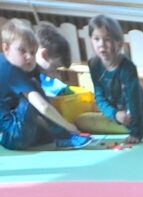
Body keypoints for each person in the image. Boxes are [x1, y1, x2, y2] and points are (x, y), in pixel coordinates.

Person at [0, 18, 89, 150]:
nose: (29, 57)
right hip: (12, 133)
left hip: (9, 132)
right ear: (6, 48)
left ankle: (57, 136)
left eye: (32, 52)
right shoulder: (12, 70)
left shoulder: (10, 64)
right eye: (22, 50)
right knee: (35, 91)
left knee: (46, 134)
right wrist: (67, 126)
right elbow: (42, 106)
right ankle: (64, 137)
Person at [82, 14, 143, 143]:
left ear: (118, 42)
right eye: (96, 39)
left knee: (133, 126)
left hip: (129, 116)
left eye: (107, 39)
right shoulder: (94, 64)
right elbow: (99, 98)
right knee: (81, 121)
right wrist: (114, 114)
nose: (101, 44)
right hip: (112, 115)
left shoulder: (127, 68)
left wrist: (136, 132)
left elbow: (134, 101)